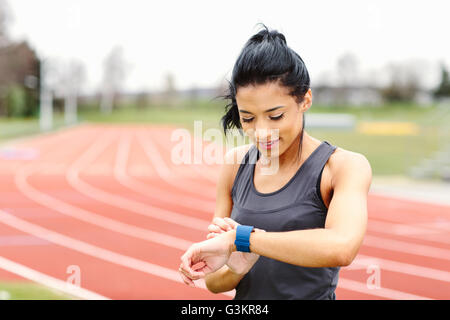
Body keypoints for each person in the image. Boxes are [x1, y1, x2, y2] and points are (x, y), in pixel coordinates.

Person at [178, 24, 372, 300]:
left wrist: (243, 239)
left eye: (276, 116)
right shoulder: (236, 164)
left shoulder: (343, 167)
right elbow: (214, 282)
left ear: (305, 100)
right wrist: (237, 267)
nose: (261, 132)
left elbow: (342, 247)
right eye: (248, 118)